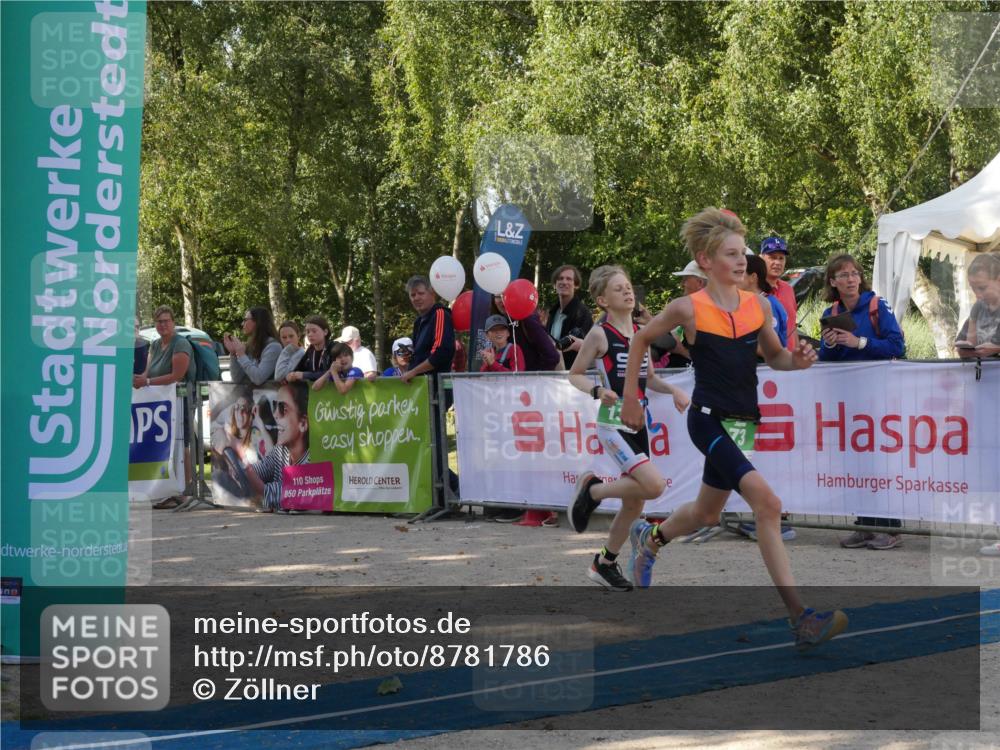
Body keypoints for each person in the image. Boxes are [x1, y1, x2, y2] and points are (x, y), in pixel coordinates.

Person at [615, 207, 847, 651]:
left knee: (706, 514)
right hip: (707, 419)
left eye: (743, 253)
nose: (743, 261)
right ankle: (801, 618)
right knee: (768, 503)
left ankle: (650, 536)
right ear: (705, 260)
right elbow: (641, 338)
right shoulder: (688, 307)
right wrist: (631, 395)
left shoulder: (759, 305)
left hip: (744, 422)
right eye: (731, 254)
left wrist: (795, 362)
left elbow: (774, 356)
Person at [567, 265, 690, 591]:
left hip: (639, 424)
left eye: (628, 286)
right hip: (613, 424)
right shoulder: (598, 334)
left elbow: (648, 378)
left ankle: (604, 563)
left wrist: (674, 389)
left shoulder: (641, 333)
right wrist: (596, 391)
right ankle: (592, 491)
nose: (627, 291)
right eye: (619, 288)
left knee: (635, 504)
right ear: (602, 299)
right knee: (654, 486)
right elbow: (575, 373)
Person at [819, 253, 906, 550]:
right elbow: (826, 357)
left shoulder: (876, 305)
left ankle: (890, 528)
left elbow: (898, 346)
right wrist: (830, 344)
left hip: (879, 396)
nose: (851, 279)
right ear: (833, 282)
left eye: (854, 273)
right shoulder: (830, 311)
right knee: (855, 462)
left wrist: (861, 343)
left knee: (880, 461)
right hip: (848, 398)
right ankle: (865, 525)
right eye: (843, 275)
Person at [134, 305, 196, 509]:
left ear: (173, 322)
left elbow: (177, 376)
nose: (162, 325)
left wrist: (148, 383)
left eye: (166, 321)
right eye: (159, 321)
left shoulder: (181, 344)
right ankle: (166, 492)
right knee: (163, 446)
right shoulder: (154, 345)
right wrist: (139, 379)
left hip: (180, 401)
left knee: (182, 444)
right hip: (159, 404)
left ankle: (186, 490)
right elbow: (148, 372)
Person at [401, 275, 458, 496]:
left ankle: (454, 490)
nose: (416, 298)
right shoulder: (419, 322)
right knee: (425, 442)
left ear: (432, 292)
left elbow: (442, 352)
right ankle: (438, 494)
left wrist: (414, 371)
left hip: (437, 388)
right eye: (412, 295)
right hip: (421, 389)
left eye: (420, 293)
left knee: (434, 442)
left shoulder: (441, 314)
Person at [243, 382, 310, 513]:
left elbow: (282, 492)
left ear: (302, 423)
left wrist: (245, 467)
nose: (275, 414)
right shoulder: (281, 450)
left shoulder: (311, 459)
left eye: (283, 409)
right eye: (275, 406)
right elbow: (262, 469)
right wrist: (246, 468)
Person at [493, 293, 560, 371]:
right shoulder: (501, 322)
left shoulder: (527, 320)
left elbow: (553, 357)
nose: (502, 300)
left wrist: (531, 377)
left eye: (506, 295)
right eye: (498, 296)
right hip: (511, 381)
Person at [545, 264, 594, 370]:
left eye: (569, 279)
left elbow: (584, 347)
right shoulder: (553, 313)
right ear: (555, 284)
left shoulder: (583, 313)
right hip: (554, 373)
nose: (564, 282)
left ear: (576, 285)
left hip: (573, 374)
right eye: (560, 279)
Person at [956, 253, 1000, 358]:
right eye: (973, 288)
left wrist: (997, 348)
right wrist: (964, 351)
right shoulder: (978, 308)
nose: (977, 295)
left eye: (982, 288)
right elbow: (967, 344)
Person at [760, 236, 798, 351]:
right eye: (772, 257)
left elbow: (792, 326)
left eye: (781, 258)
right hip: (766, 364)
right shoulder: (754, 289)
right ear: (761, 258)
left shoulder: (788, 289)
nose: (777, 262)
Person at [226, 306, 282, 385]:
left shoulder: (274, 347)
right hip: (252, 395)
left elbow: (258, 378)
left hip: (270, 396)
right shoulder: (250, 346)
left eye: (245, 320)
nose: (242, 324)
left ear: (258, 322)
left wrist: (241, 355)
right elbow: (237, 379)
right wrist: (234, 354)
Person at [286, 315, 335, 383]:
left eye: (314, 331)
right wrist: (291, 375)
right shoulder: (311, 350)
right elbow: (298, 369)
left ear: (325, 332)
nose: (310, 334)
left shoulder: (335, 348)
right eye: (308, 332)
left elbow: (334, 372)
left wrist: (305, 375)